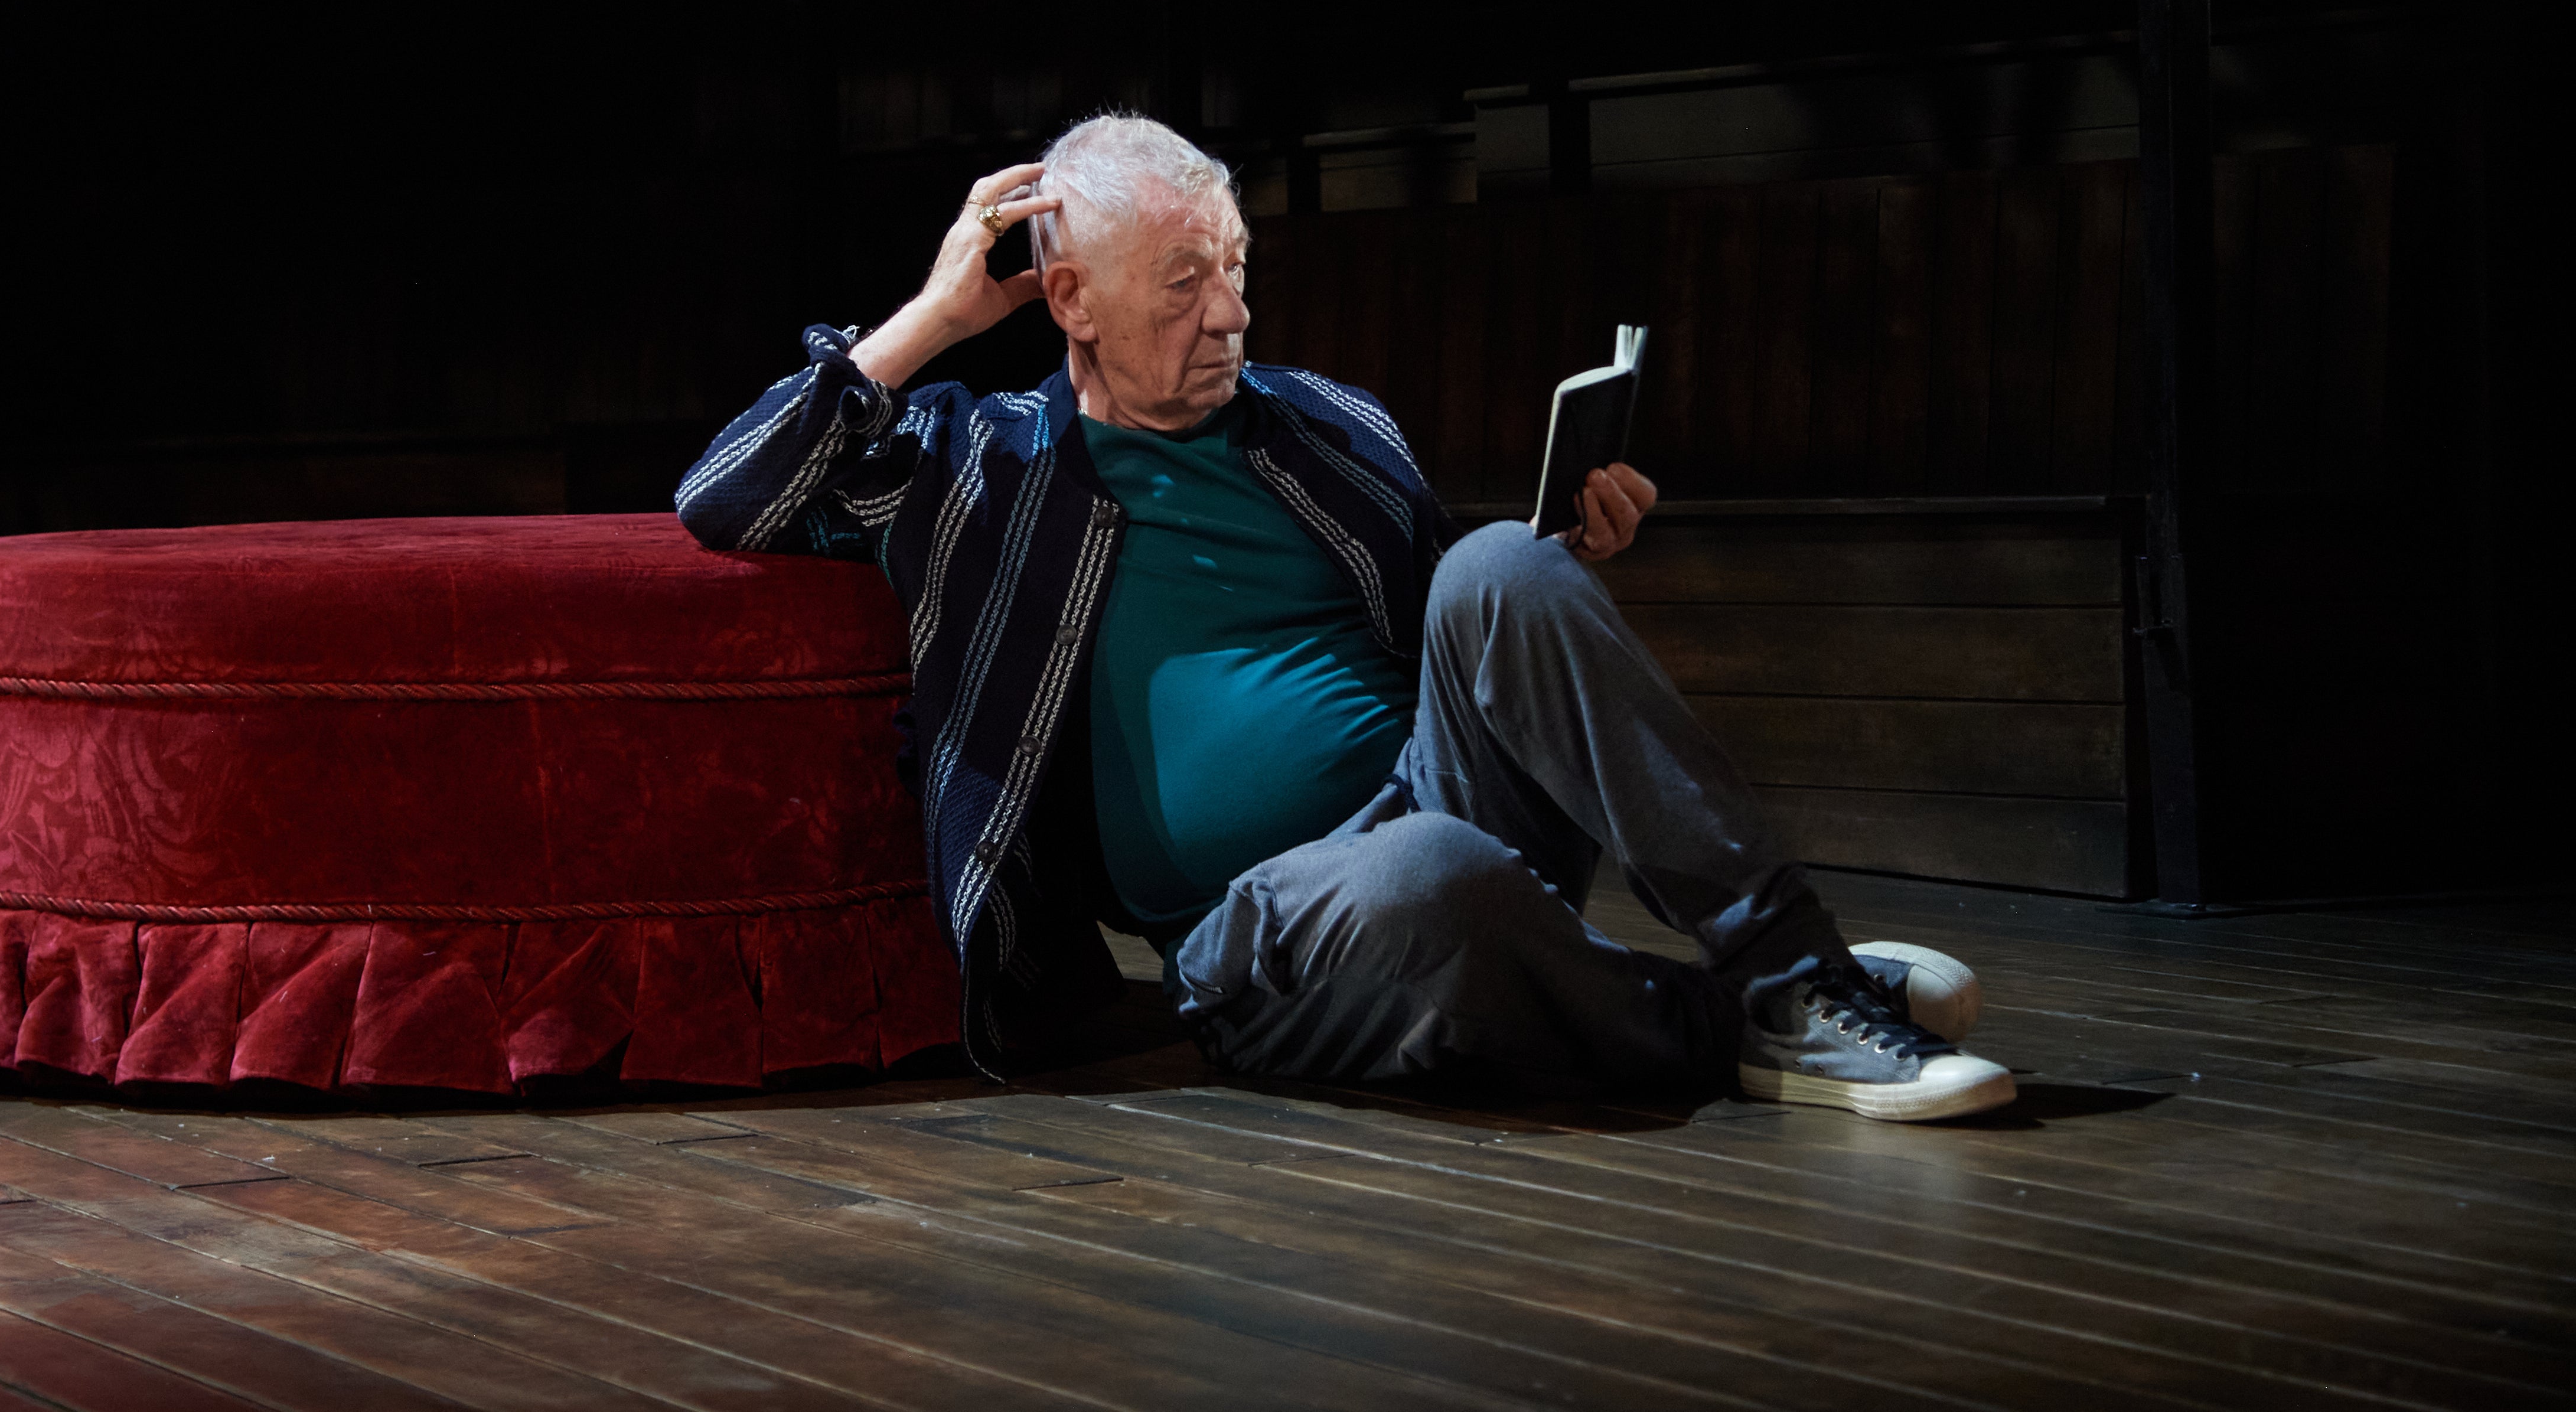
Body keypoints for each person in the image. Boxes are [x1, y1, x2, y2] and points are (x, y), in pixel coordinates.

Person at [679, 113, 2013, 1121]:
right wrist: (933, 314)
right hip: (1261, 933)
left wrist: (1555, 553)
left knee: (1502, 564)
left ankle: (1796, 966)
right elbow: (722, 495)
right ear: (1069, 298)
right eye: (1183, 280)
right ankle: (1740, 1016)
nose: (1232, 312)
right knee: (1421, 883)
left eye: (1236, 266)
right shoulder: (976, 464)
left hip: (1441, 814)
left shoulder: (1325, 424)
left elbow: (1457, 626)